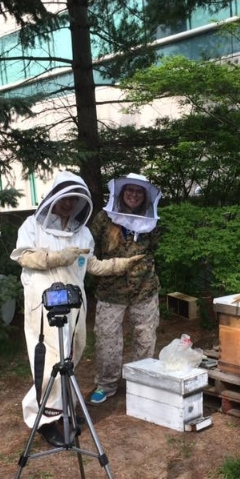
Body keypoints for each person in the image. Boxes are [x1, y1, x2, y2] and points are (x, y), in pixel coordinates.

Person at [10, 171, 143, 447]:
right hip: (43, 304)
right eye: (64, 197)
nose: (69, 203)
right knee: (49, 363)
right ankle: (44, 420)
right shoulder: (32, 226)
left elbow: (91, 265)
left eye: (74, 199)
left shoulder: (81, 233)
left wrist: (121, 264)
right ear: (54, 197)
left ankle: (64, 412)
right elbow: (23, 257)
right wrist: (55, 258)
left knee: (70, 358)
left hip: (74, 304)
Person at [87, 173, 162, 404]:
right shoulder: (103, 218)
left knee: (145, 338)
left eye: (139, 192)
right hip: (111, 291)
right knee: (107, 340)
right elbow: (89, 249)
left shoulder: (151, 221)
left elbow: (155, 250)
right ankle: (106, 385)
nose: (134, 195)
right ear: (121, 193)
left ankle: (140, 383)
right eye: (130, 190)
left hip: (145, 290)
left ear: (145, 196)